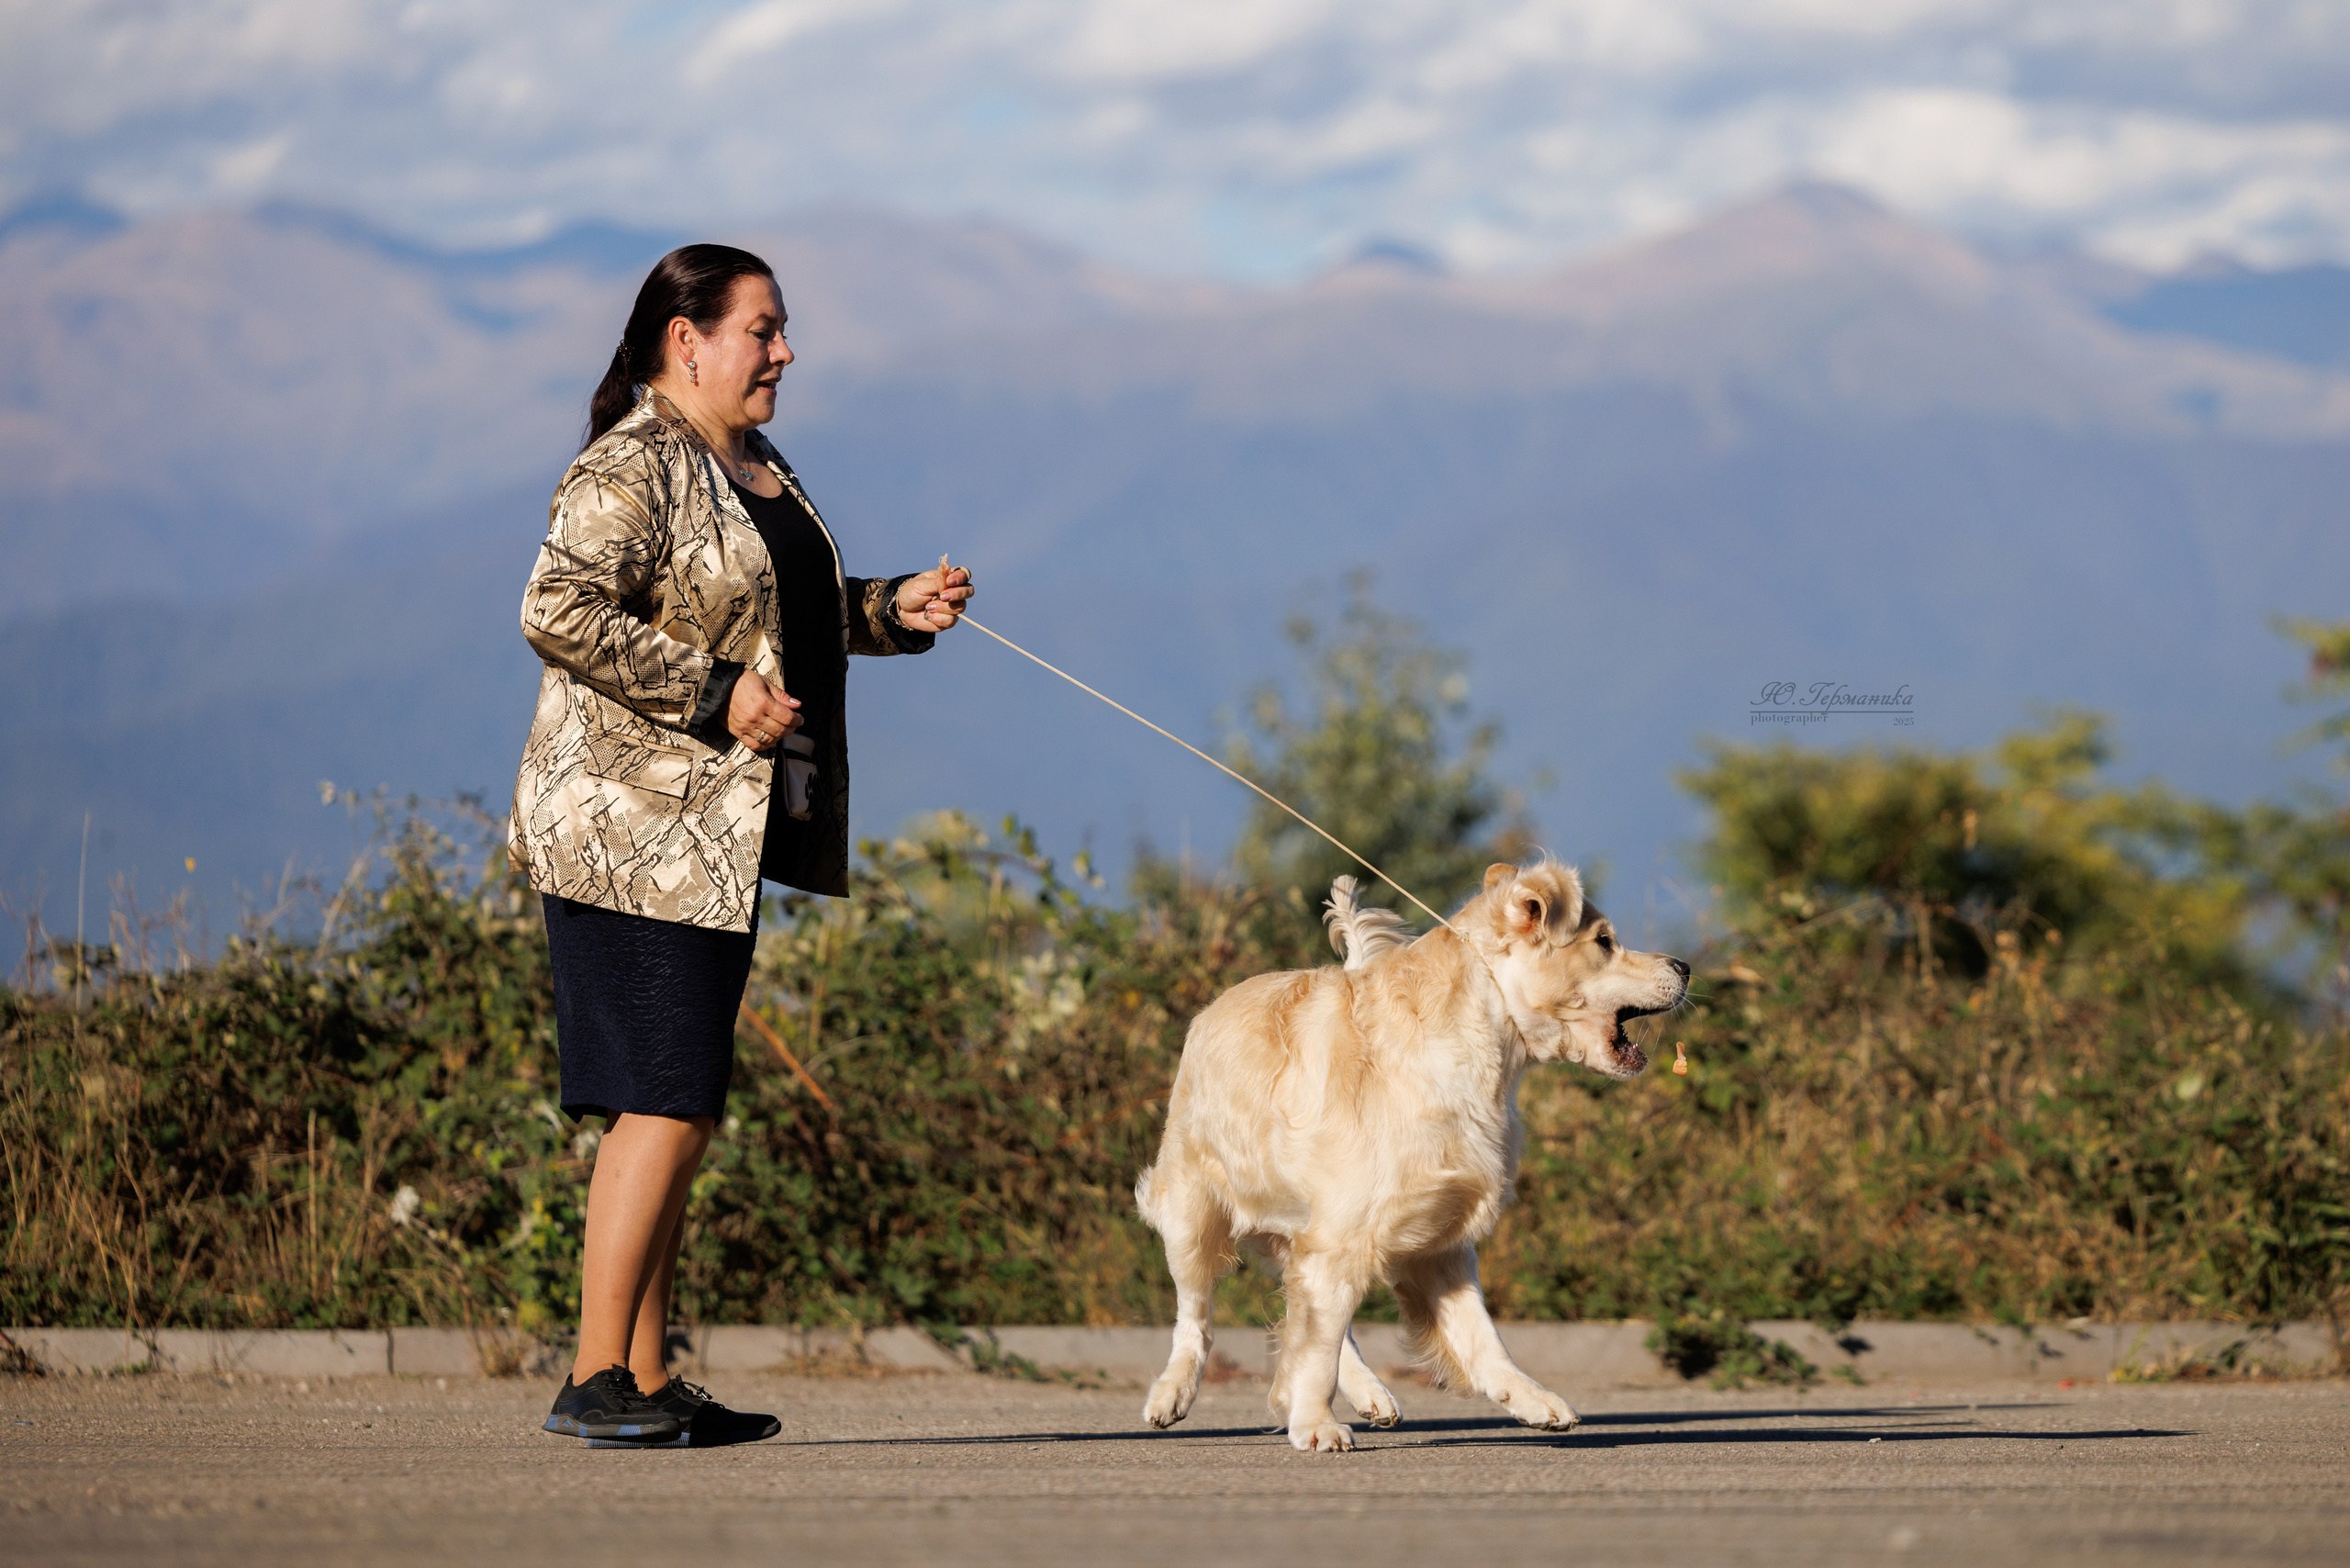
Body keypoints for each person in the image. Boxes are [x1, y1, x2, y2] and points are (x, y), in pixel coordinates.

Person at [509, 243, 972, 1447]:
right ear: (687, 341)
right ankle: (593, 1376)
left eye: (780, 329)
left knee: (683, 1103)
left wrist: (886, 608)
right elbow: (556, 611)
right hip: (628, 831)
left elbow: (775, 608)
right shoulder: (633, 464)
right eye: (762, 329)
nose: (784, 351)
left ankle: (647, 1378)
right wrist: (715, 696)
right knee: (660, 1101)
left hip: (715, 838)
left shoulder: (750, 461)